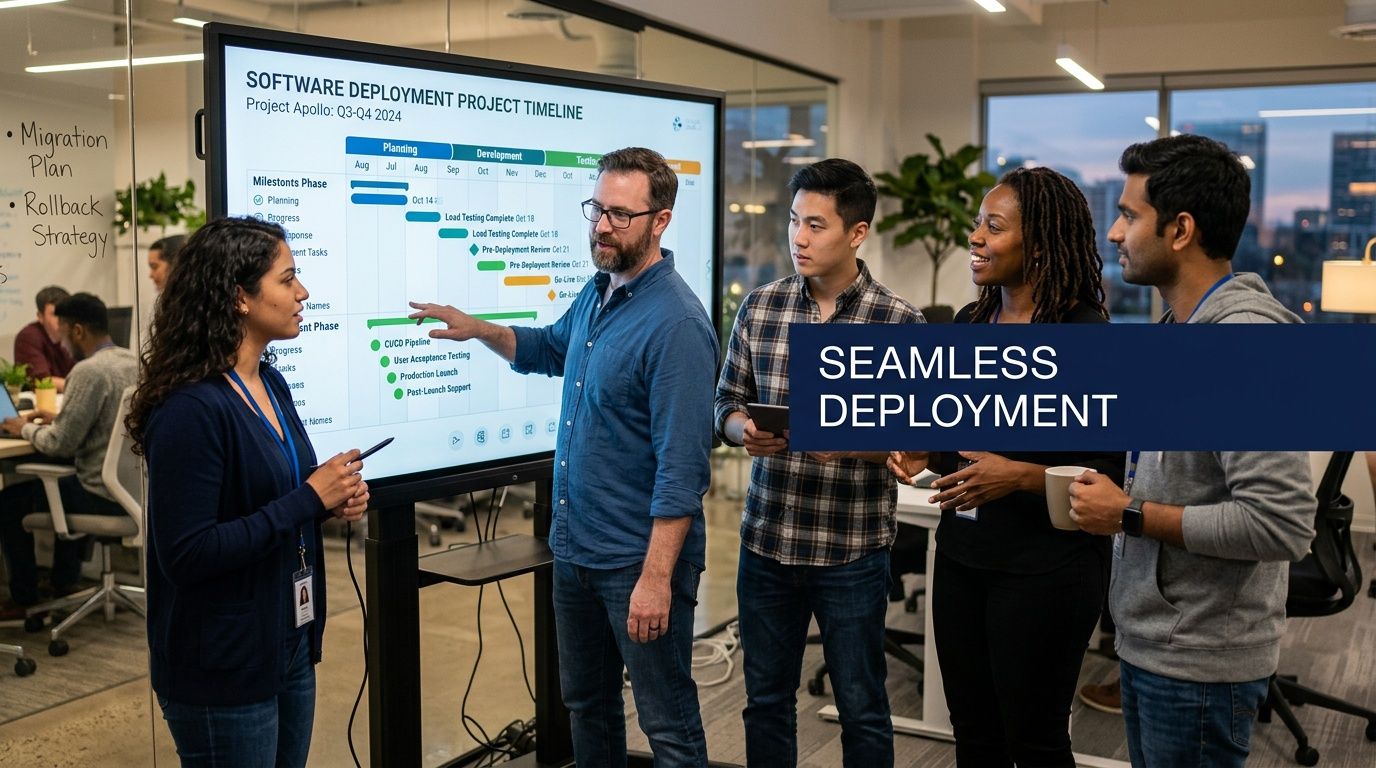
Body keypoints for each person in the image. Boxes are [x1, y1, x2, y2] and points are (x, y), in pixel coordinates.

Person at [409, 147, 717, 767]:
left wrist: (655, 581)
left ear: (660, 222)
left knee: (667, 724)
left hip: (636, 563)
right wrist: (482, 328)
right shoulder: (601, 290)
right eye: (597, 209)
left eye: (620, 215)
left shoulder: (677, 323)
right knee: (587, 707)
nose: (601, 225)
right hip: (576, 550)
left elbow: (683, 472)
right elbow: (550, 348)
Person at [1068, 134, 1317, 768]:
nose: (1115, 233)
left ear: (1180, 229)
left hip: (1200, 661)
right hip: (1156, 642)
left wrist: (1128, 514)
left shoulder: (1241, 346)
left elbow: (1282, 524)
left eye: (1129, 215)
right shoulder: (1178, 333)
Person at [887, 166, 1125, 767]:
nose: (975, 238)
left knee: (1037, 741)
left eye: (993, 227)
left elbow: (1110, 469)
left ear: (1039, 244)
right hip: (965, 560)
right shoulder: (971, 325)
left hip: (1048, 569)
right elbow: (956, 440)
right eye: (977, 224)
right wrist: (922, 451)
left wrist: (1017, 476)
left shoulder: (1085, 335)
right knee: (975, 736)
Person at [127, 217, 371, 767]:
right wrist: (309, 499)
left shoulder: (271, 381)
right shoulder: (190, 409)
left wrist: (331, 503)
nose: (303, 292)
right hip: (222, 664)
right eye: (288, 280)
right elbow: (187, 554)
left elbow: (270, 503)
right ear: (240, 297)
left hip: (285, 642)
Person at [715, 158, 922, 768]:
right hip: (768, 541)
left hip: (851, 548)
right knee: (765, 701)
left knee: (862, 707)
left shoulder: (899, 322)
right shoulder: (761, 307)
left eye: (816, 225)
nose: (798, 239)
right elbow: (724, 403)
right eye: (793, 222)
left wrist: (855, 442)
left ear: (856, 233)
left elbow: (917, 438)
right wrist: (741, 430)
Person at [0, 293, 138, 621]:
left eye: (63, 333)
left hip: (99, 493)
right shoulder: (134, 362)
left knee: (8, 503)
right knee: (61, 479)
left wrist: (23, 428)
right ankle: (64, 581)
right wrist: (54, 419)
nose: (61, 343)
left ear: (77, 331)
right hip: (130, 490)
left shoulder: (88, 371)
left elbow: (61, 444)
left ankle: (25, 598)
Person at [12, 285, 76, 393]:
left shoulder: (73, 334)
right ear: (40, 317)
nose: (62, 320)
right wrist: (82, 387)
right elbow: (43, 381)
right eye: (55, 314)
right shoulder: (28, 337)